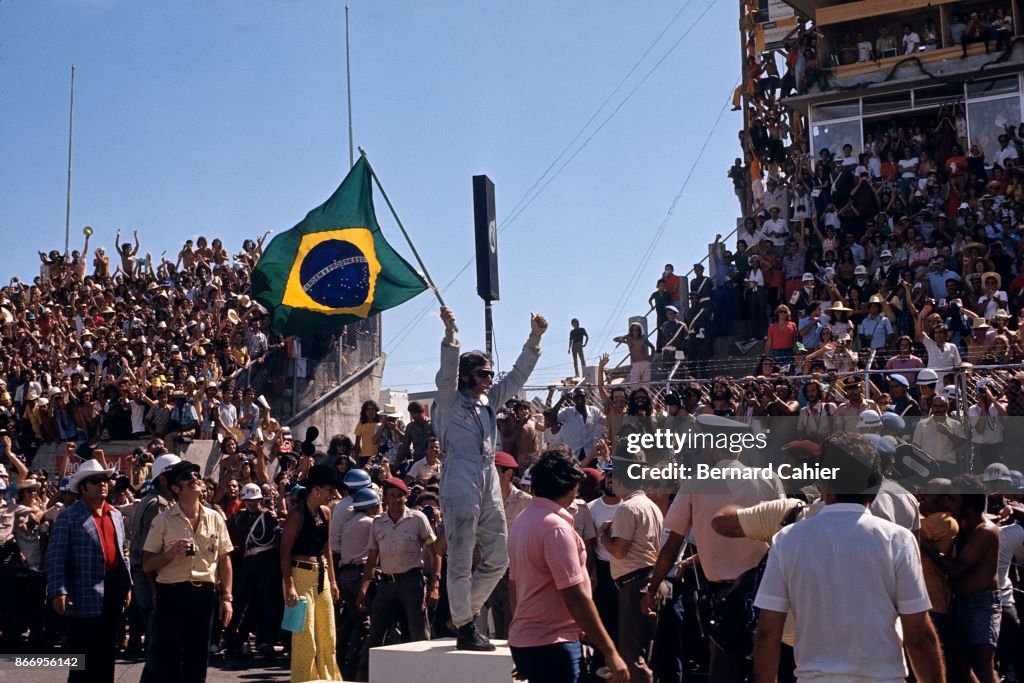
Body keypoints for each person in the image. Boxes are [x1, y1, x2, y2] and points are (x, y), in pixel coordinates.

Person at [753, 432, 945, 682]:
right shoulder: (899, 540)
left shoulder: (787, 540)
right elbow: (918, 635)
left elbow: (768, 631)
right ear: (875, 486)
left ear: (824, 484)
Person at [432, 305, 547, 650]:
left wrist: (534, 339)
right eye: (482, 374)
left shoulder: (488, 400)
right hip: (459, 471)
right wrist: (451, 334)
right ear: (466, 376)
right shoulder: (449, 398)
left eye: (489, 374)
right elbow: (448, 371)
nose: (488, 379)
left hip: (487, 471)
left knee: (499, 556)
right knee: (462, 552)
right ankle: (466, 627)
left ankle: (462, 614)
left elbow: (517, 377)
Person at [507, 446, 628, 683]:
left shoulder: (523, 521)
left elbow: (514, 586)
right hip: (554, 643)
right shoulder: (555, 528)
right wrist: (611, 652)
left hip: (530, 641)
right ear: (571, 486)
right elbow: (576, 597)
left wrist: (525, 645)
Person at [142, 460, 234, 683]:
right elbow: (147, 564)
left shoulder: (215, 518)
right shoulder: (162, 520)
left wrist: (227, 597)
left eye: (197, 475)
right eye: (187, 477)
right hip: (171, 593)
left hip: (204, 593)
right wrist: (168, 554)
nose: (195, 479)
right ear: (176, 488)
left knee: (198, 655)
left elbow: (224, 559)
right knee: (170, 657)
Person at [45, 459, 132, 683]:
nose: (102, 484)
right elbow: (56, 556)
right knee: (82, 661)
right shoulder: (69, 515)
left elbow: (123, 552)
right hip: (81, 595)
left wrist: (127, 584)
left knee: (106, 656)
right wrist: (58, 590)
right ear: (83, 487)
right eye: (95, 481)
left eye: (104, 480)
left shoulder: (115, 514)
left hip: (112, 593)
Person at [357, 477, 441, 678]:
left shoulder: (417, 519)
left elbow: (434, 552)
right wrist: (363, 589)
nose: (396, 500)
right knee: (375, 637)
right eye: (392, 496)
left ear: (406, 497)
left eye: (400, 496)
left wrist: (435, 584)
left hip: (411, 583)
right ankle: (362, 679)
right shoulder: (378, 523)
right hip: (386, 584)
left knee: (418, 635)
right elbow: (372, 559)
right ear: (385, 499)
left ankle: (425, 678)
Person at [922, 475, 1002, 683]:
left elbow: (958, 569)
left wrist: (924, 546)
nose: (948, 502)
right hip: (959, 603)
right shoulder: (961, 524)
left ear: (969, 504)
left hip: (981, 604)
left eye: (954, 499)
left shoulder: (984, 532)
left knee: (983, 664)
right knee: (960, 665)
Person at [599, 459, 667, 683]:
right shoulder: (651, 506)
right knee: (644, 654)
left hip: (635, 583)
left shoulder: (628, 507)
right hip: (649, 580)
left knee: (632, 657)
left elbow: (619, 551)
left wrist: (603, 536)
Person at [279, 464, 342, 682]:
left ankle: (328, 678)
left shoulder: (326, 513)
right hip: (299, 574)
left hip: (321, 574)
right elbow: (284, 552)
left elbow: (327, 549)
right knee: (305, 638)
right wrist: (290, 585)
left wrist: (333, 581)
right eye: (329, 490)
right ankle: (303, 679)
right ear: (316, 490)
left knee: (328, 634)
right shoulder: (296, 515)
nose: (332, 494)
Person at [129, 453, 180, 682]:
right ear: (162, 479)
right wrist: (156, 590)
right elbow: (151, 553)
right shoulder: (158, 506)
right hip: (149, 577)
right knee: (159, 640)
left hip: (145, 576)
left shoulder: (149, 500)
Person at [336, 486, 379, 680]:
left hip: (345, 576)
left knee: (354, 622)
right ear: (370, 507)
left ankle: (345, 662)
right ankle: (358, 667)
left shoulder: (348, 523)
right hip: (361, 575)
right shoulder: (371, 523)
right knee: (367, 624)